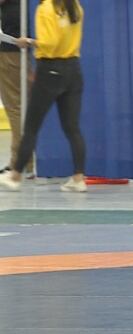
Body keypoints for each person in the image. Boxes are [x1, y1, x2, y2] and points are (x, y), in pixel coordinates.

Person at [0, 0, 86, 192]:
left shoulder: (45, 8)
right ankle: (79, 178)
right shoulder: (75, 7)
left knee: (31, 126)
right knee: (72, 127)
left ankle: (15, 175)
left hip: (50, 70)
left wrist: (28, 42)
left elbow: (49, 43)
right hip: (73, 69)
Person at [0, 0, 34, 178]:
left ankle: (19, 163)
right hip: (27, 53)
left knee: (15, 108)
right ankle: (26, 162)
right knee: (25, 107)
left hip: (11, 53)